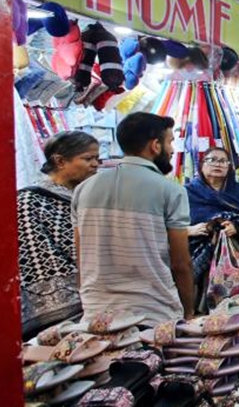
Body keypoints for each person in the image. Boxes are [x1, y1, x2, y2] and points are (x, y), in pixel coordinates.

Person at [72, 113, 195, 324]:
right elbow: (180, 264)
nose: (173, 150)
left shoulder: (84, 189)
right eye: (170, 142)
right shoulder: (170, 190)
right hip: (153, 312)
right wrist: (189, 311)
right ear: (155, 145)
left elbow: (81, 256)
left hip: (96, 312)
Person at [17, 131, 101, 337]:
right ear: (60, 161)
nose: (96, 164)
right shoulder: (31, 200)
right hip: (54, 311)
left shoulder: (82, 197)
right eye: (88, 158)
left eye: (97, 158)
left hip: (93, 298)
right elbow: (34, 250)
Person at [186, 147, 239, 300]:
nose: (217, 164)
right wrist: (189, 230)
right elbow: (169, 223)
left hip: (234, 254)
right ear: (201, 165)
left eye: (223, 161)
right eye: (212, 160)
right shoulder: (187, 192)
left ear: (229, 167)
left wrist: (237, 227)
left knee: (232, 300)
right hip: (197, 251)